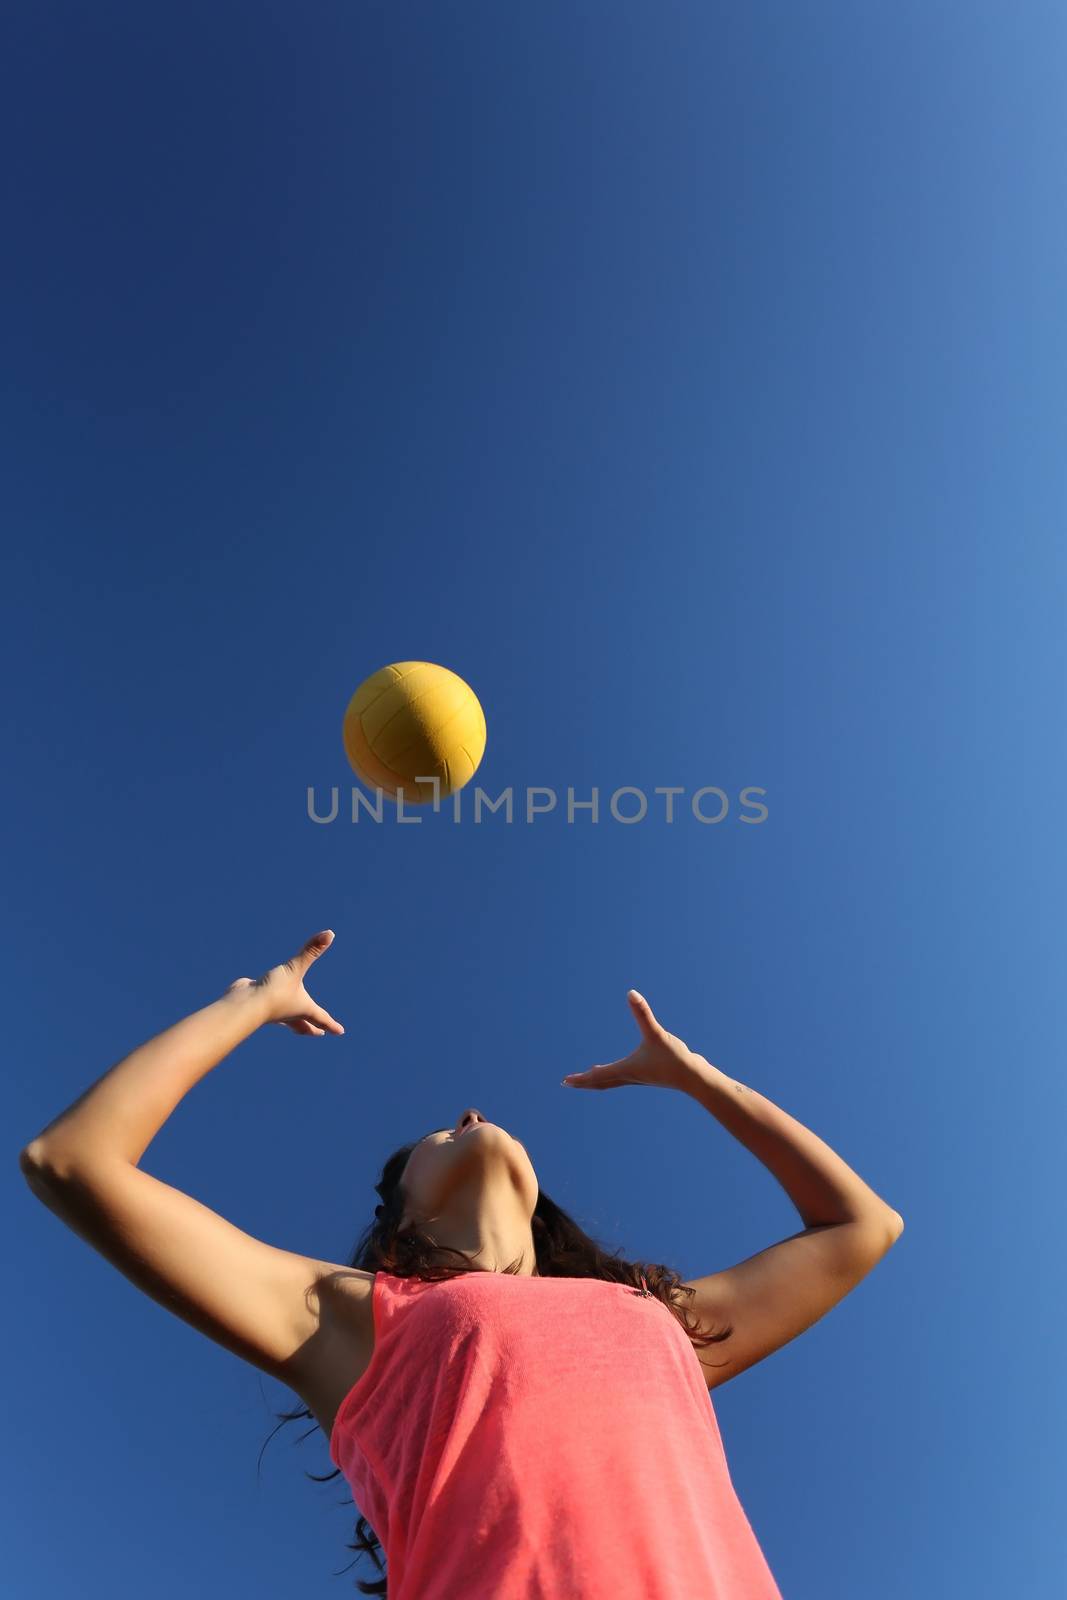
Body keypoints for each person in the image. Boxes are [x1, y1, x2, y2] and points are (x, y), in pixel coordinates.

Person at [19, 928, 903, 1599]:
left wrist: (701, 1079)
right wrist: (250, 1002)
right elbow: (73, 1161)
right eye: (430, 1135)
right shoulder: (352, 1315)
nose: (472, 1109)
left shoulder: (654, 1315)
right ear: (398, 1205)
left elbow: (861, 1226)